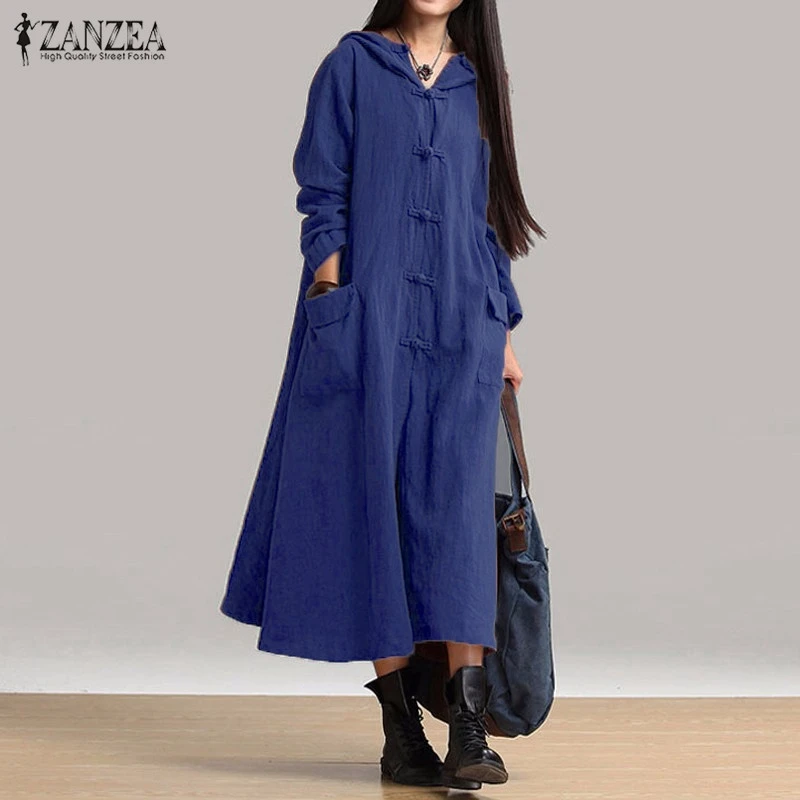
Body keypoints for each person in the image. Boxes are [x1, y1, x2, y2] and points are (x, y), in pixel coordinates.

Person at [220, 0, 545, 790]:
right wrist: (335, 297)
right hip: (368, 323)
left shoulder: (479, 84)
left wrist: (501, 325)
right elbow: (322, 191)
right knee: (376, 514)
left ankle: (468, 727)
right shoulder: (352, 65)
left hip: (462, 328)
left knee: (460, 518)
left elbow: (486, 219)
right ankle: (402, 735)